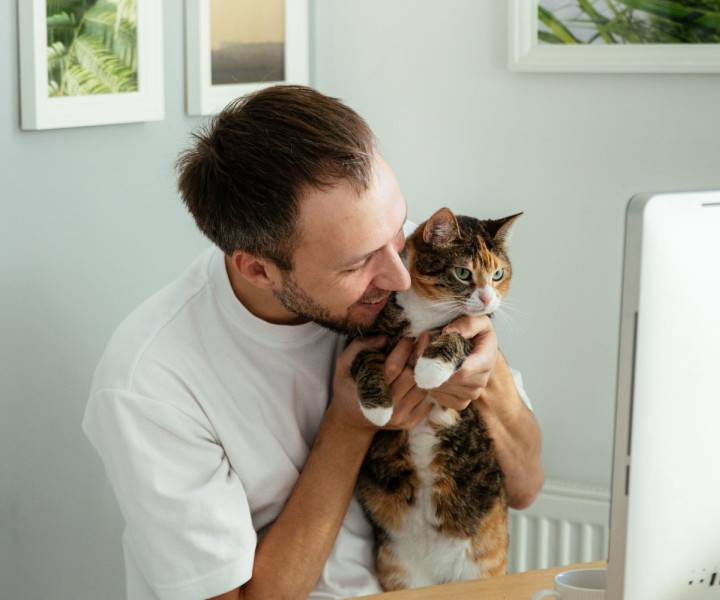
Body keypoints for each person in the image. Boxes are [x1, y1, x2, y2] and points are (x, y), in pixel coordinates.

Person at [83, 85, 544, 600]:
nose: (398, 276)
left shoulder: (424, 262)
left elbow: (526, 485)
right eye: (356, 264)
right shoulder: (150, 382)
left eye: (396, 231)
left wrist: (490, 374)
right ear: (258, 269)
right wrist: (349, 425)